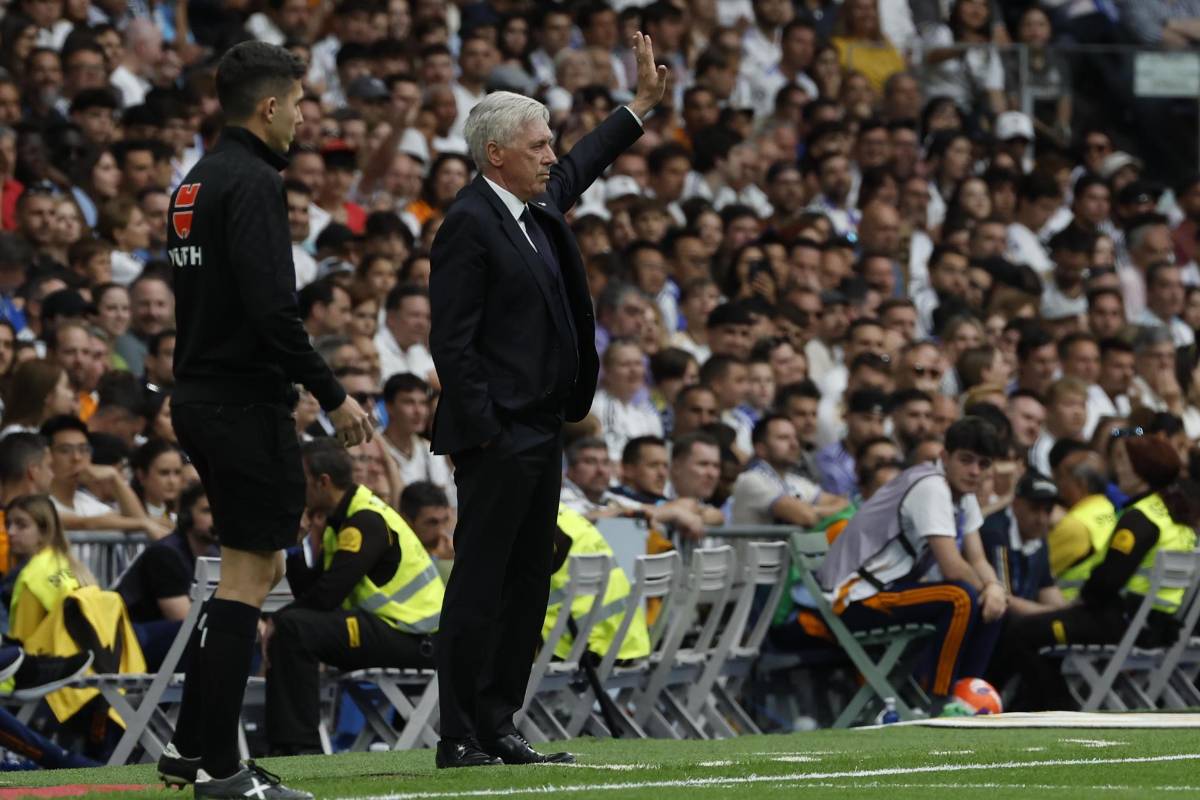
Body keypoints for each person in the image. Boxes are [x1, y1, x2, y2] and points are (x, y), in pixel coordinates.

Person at [427, 31, 666, 769]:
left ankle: (500, 722)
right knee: (480, 583)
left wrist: (641, 108)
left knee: (529, 581)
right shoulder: (468, 223)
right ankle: (459, 731)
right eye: (537, 145)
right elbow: (452, 343)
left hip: (541, 431)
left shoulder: (534, 208)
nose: (551, 155)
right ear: (496, 154)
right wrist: (490, 431)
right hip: (498, 436)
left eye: (548, 142)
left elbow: (587, 161)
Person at [158, 41, 372, 800]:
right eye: (304, 102)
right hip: (243, 403)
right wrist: (335, 393)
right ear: (272, 105)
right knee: (250, 579)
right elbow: (272, 310)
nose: (307, 116)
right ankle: (223, 771)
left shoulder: (196, 180)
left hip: (200, 395)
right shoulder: (250, 182)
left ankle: (190, 747)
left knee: (258, 571)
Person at [989, 434, 1200, 710]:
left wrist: (1077, 604)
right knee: (1039, 631)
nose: (1117, 469)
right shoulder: (1175, 518)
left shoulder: (1140, 517)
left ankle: (1051, 709)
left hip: (1123, 624)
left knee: (1023, 631)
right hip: (1159, 626)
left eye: (1125, 461)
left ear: (1142, 470)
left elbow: (1106, 582)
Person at [265, 439, 442, 756]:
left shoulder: (365, 520)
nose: (293, 486)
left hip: (418, 638)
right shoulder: (341, 520)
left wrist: (276, 621)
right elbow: (312, 593)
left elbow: (327, 596)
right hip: (397, 632)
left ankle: (298, 748)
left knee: (293, 627)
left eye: (299, 479)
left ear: (323, 482)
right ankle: (292, 744)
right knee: (294, 626)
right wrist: (300, 542)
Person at [813, 416, 1008, 701]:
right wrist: (987, 588)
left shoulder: (963, 494)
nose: (974, 471)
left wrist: (995, 588)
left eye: (983, 464)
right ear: (945, 456)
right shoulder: (931, 487)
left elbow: (977, 559)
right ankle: (940, 702)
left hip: (886, 591)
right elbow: (953, 567)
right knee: (960, 597)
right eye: (966, 460)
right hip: (854, 597)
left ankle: (968, 694)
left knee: (993, 602)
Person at [115, 483, 220, 671]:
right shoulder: (166, 554)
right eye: (207, 511)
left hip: (168, 637)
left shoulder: (216, 553)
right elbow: (183, 618)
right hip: (132, 638)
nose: (218, 519)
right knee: (200, 633)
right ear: (187, 515)